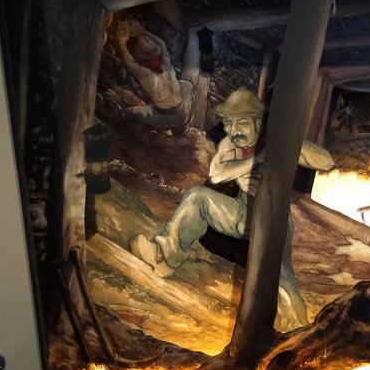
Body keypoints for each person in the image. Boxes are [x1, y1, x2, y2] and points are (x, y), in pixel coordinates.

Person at [129, 88, 335, 327]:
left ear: (258, 122)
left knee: (281, 275)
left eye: (242, 123)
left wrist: (290, 142)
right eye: (229, 123)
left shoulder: (276, 142)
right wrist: (256, 160)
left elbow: (326, 162)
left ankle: (297, 325)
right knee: (197, 198)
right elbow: (216, 174)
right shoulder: (230, 144)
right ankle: (164, 257)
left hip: (273, 218)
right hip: (241, 211)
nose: (234, 130)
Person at [114, 17, 194, 131]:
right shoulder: (159, 67)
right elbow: (161, 45)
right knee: (129, 113)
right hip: (175, 112)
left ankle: (175, 126)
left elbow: (130, 63)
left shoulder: (154, 70)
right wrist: (140, 33)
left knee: (129, 113)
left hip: (170, 115)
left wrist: (125, 40)